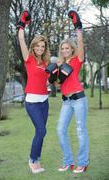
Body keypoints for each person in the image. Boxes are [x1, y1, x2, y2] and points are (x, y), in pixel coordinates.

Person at [17, 10, 57, 174]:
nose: (40, 48)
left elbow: (48, 81)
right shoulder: (29, 59)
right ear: (33, 47)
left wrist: (54, 77)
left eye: (43, 46)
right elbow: (21, 40)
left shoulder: (47, 62)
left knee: (40, 132)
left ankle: (37, 160)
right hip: (32, 101)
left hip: (44, 101)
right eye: (38, 46)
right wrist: (22, 25)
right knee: (41, 130)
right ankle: (32, 160)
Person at [56, 10, 89, 173]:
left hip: (78, 100)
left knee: (81, 131)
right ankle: (68, 161)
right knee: (60, 130)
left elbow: (81, 44)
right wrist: (53, 79)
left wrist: (78, 28)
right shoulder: (59, 65)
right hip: (66, 101)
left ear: (72, 48)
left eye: (67, 48)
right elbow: (57, 84)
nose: (65, 50)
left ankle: (82, 163)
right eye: (63, 48)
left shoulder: (77, 59)